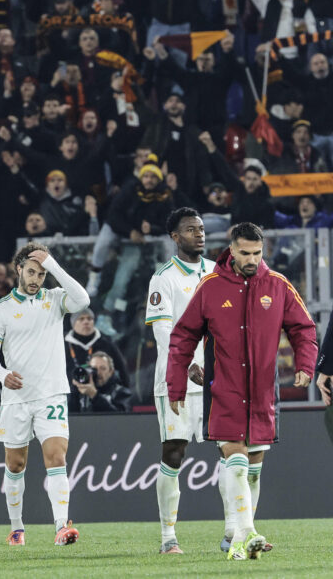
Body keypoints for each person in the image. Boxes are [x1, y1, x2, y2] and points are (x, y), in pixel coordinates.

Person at [168, 222, 317, 561]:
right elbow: (183, 337)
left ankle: (234, 537)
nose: (252, 259)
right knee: (235, 458)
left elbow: (304, 329)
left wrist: (305, 365)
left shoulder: (278, 285)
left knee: (252, 468)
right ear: (232, 250)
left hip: (263, 392)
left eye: (257, 253)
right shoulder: (211, 286)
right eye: (245, 253)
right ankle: (247, 532)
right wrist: (176, 385)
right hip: (224, 388)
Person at [0, 241, 90, 547]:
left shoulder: (55, 299)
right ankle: (17, 528)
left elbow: (83, 299)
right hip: (16, 399)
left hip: (51, 394)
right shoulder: (0, 309)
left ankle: (61, 526)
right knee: (15, 465)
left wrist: (53, 265)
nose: (36, 279)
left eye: (41, 274)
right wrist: (3, 375)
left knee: (56, 457)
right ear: (19, 269)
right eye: (31, 272)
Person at [143, 207, 216, 554]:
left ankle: (236, 531)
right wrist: (186, 364)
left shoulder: (217, 272)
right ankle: (168, 536)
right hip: (177, 379)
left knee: (231, 448)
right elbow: (162, 331)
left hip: (216, 378)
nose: (199, 234)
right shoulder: (163, 278)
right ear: (175, 237)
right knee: (174, 452)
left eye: (200, 229)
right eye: (190, 229)